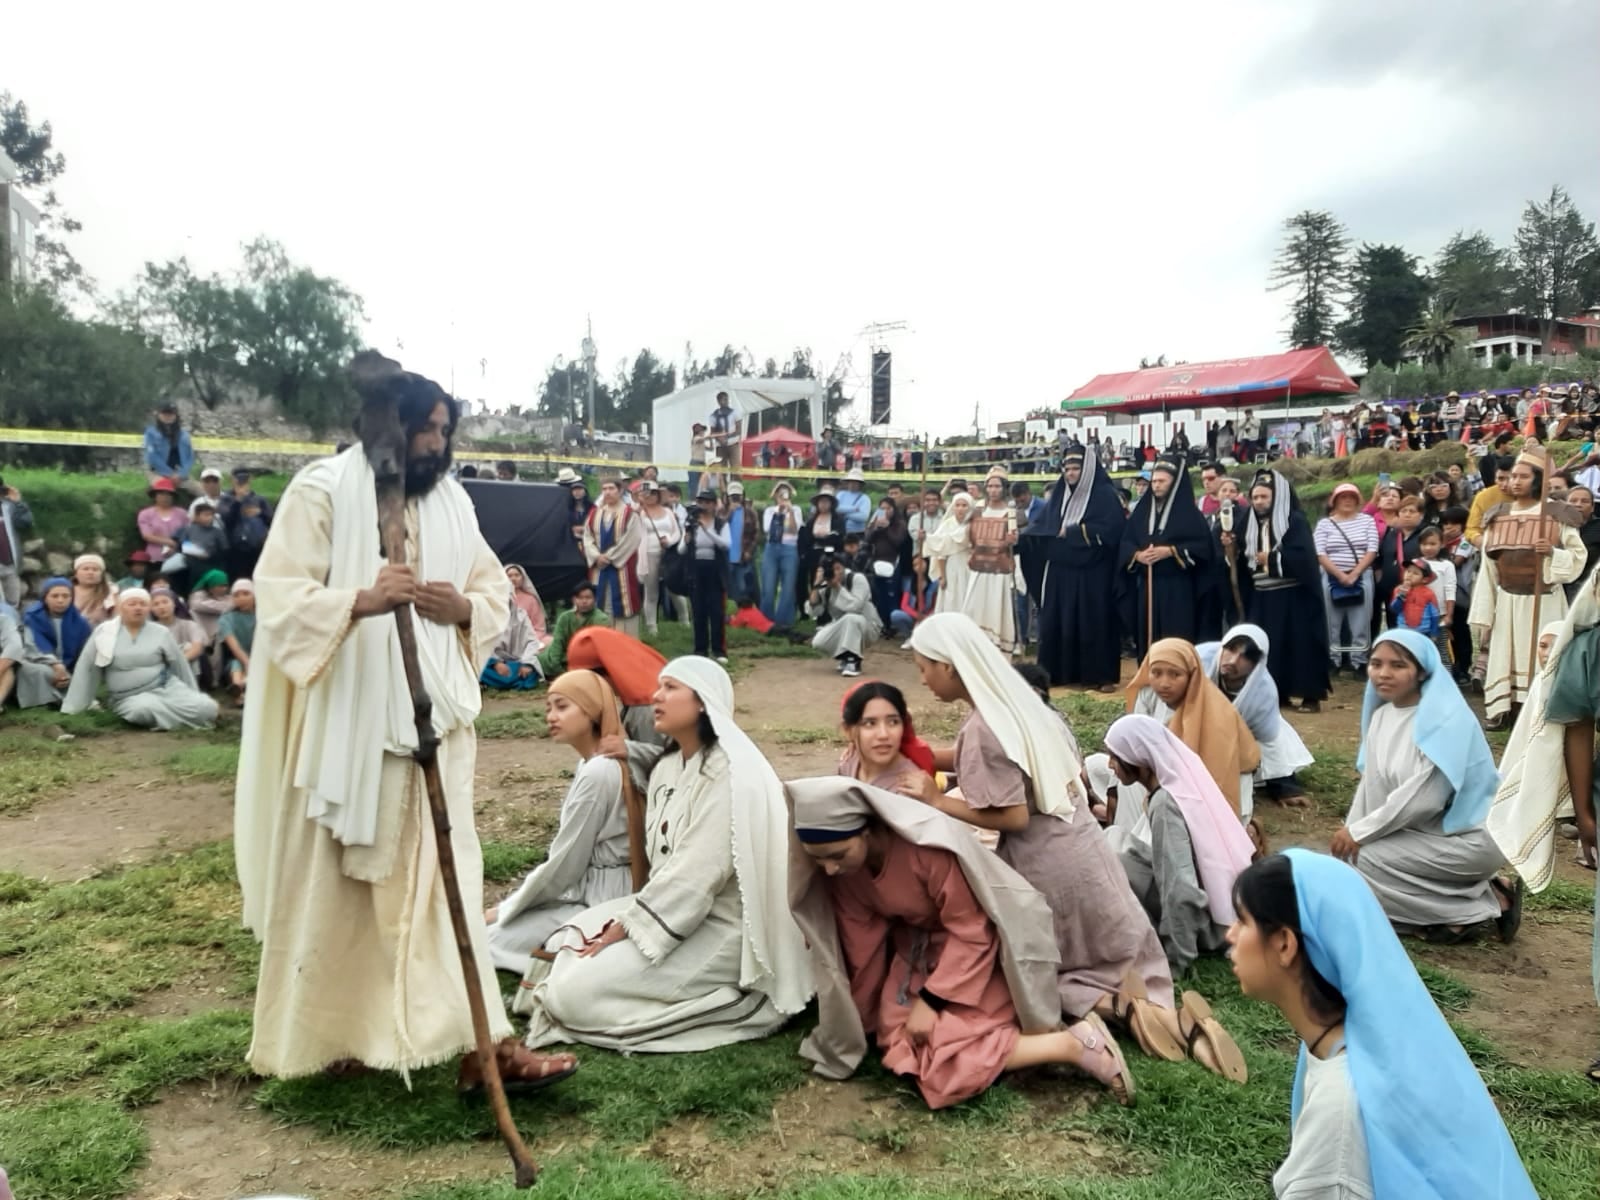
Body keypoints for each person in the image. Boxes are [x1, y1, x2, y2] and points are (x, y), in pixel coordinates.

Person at [234, 361, 575, 1087]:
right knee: (343, 891)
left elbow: (491, 588)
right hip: (350, 733)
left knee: (445, 882)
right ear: (385, 427)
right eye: (424, 428)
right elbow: (279, 596)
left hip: (437, 725)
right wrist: (358, 601)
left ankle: (482, 1047)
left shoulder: (453, 502)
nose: (435, 443)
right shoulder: (320, 492)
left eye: (444, 430)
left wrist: (462, 610)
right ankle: (330, 1039)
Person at [904, 614, 1201, 1069]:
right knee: (1107, 954)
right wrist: (920, 752)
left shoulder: (985, 726)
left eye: (925, 667)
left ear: (949, 666)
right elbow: (997, 764)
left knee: (1046, 969)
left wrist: (937, 800)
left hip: (1046, 859)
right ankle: (1160, 1016)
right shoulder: (1017, 703)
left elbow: (1013, 815)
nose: (922, 679)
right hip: (1081, 845)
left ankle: (1112, 1009)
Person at [787, 775, 1135, 1109]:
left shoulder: (926, 850)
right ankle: (1040, 1045)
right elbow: (862, 949)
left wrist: (932, 1000)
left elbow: (974, 930)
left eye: (837, 854)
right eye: (818, 860)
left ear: (866, 830)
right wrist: (857, 1025)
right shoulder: (847, 877)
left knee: (944, 1058)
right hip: (919, 957)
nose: (830, 869)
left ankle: (1072, 1045)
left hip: (979, 956)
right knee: (900, 1041)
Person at [521, 656, 814, 1050]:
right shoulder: (668, 766)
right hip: (670, 911)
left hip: (723, 928)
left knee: (574, 994)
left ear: (703, 702)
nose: (656, 696)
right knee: (562, 941)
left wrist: (630, 926)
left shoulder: (730, 776)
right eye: (659, 686)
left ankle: (732, 1001)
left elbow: (695, 875)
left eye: (671, 687)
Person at [1228, 851, 1537, 1200]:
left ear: (1284, 944)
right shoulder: (1386, 1046)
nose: (1229, 935)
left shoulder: (1340, 1116)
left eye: (1242, 921)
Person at [1335, 630, 1520, 942]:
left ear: (1421, 671)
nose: (1383, 673)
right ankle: (1485, 892)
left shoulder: (1444, 719)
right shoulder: (1382, 716)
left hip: (1470, 840)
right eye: (1376, 663)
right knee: (1344, 864)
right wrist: (1353, 831)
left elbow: (1423, 800)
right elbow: (1374, 789)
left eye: (1397, 665)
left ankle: (1477, 908)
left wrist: (1359, 834)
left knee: (1362, 862)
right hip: (1424, 834)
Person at [486, 670, 637, 975]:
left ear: (592, 709)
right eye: (548, 708)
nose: (551, 717)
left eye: (562, 706)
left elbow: (564, 864)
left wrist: (504, 909)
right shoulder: (592, 764)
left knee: (485, 939)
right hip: (590, 890)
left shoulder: (599, 772)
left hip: (602, 900)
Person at [1104, 714, 1256, 986]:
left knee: (1111, 857)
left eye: (1115, 757)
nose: (1110, 765)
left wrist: (1177, 961)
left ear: (1137, 757)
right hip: (1228, 907)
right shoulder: (1180, 781)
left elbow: (1180, 886)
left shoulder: (1165, 803)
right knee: (1112, 837)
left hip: (1212, 927)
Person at [1470, 447, 1587, 727]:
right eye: (1513, 477)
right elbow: (1488, 564)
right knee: (1506, 655)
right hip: (1509, 600)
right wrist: (1487, 609)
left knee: (1541, 654)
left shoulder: (1557, 514)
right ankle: (1505, 708)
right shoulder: (1497, 515)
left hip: (1543, 599)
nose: (1516, 481)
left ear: (1537, 479)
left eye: (1523, 476)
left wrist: (1553, 553)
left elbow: (1578, 556)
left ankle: (1540, 707)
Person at [1127, 638, 1261, 819]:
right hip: (1164, 777)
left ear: (1191, 675)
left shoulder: (1216, 714)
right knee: (1109, 770)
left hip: (1208, 796)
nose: (1164, 683)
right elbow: (1136, 744)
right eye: (1156, 673)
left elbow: (1215, 775)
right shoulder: (1148, 695)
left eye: (1175, 675)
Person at [1028, 447, 1124, 691]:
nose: (1070, 474)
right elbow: (1042, 526)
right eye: (1067, 469)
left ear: (1087, 470)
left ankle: (1099, 676)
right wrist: (1021, 539)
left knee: (1095, 621)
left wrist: (1071, 532)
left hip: (1094, 572)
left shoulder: (1104, 495)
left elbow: (1113, 531)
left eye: (1076, 469)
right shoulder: (1060, 494)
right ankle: (1058, 673)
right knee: (1058, 620)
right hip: (1061, 572)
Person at [1235, 470, 1330, 711]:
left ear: (1276, 497)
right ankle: (1277, 694)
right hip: (1262, 596)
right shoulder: (1247, 522)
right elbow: (1239, 555)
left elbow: (1304, 557)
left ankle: (1310, 696)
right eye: (1255, 497)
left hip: (1293, 595)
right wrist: (1230, 547)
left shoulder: (1294, 520)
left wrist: (1272, 557)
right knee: (1268, 647)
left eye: (1264, 497)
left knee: (1300, 645)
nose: (1258, 502)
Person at [62, 589, 219, 730]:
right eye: (132, 604)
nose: (138, 608)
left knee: (207, 707)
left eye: (143, 604)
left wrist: (191, 692)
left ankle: (171, 719)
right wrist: (76, 704)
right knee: (142, 711)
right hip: (127, 696)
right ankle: (177, 720)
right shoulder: (105, 632)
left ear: (148, 608)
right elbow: (87, 668)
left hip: (167, 688)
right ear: (121, 607)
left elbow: (179, 665)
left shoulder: (161, 632)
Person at [1118, 457, 1212, 661]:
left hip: (1177, 589)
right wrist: (1137, 555)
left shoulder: (1191, 516)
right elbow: (1126, 543)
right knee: (1147, 637)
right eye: (1154, 481)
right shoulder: (1141, 513)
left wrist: (1171, 551)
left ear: (1174, 483)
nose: (1157, 485)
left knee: (1175, 638)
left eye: (1162, 481)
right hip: (1147, 588)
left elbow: (1203, 549)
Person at [1314, 483, 1380, 677]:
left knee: (1361, 621)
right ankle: (1333, 660)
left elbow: (1372, 549)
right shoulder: (1325, 524)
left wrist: (1355, 573)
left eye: (1352, 497)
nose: (1348, 501)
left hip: (1361, 574)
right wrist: (1340, 574)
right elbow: (1319, 552)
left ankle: (1359, 661)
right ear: (1335, 501)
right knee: (1331, 621)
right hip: (1331, 574)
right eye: (1343, 497)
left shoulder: (1367, 521)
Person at [564, 626, 669, 747]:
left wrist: (628, 750)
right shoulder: (640, 688)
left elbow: (661, 761)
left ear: (607, 672)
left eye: (585, 681)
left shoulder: (645, 708)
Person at [961, 468, 1023, 654]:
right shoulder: (977, 511)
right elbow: (964, 535)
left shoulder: (1012, 512)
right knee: (972, 608)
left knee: (998, 610)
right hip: (978, 569)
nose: (993, 490)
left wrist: (1012, 541)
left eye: (997, 486)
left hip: (999, 570)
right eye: (990, 486)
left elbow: (1017, 541)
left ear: (1004, 488)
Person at [836, 680, 937, 789]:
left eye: (893, 722)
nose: (883, 734)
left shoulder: (908, 789)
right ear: (848, 731)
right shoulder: (849, 761)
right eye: (870, 723)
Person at [14, 577, 89, 709]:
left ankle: (58, 699)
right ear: (45, 598)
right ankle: (46, 702)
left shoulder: (80, 622)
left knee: (72, 679)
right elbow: (31, 647)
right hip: (37, 661)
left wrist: (67, 670)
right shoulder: (33, 617)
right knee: (33, 671)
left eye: (66, 596)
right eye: (55, 596)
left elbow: (84, 653)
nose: (60, 600)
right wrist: (55, 664)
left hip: (68, 668)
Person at [583, 478, 643, 638]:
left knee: (624, 605)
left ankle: (625, 644)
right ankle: (603, 641)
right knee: (601, 604)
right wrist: (596, 556)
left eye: (611, 488)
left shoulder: (630, 514)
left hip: (621, 568)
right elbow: (587, 537)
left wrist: (609, 557)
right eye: (604, 489)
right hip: (599, 570)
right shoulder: (595, 514)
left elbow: (632, 539)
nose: (607, 492)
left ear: (620, 491)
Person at [810, 553, 877, 677]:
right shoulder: (826, 587)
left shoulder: (857, 579)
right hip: (844, 626)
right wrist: (816, 584)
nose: (835, 573)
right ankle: (844, 656)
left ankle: (853, 661)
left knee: (851, 618)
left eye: (838, 568)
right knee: (818, 641)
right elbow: (815, 611)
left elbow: (855, 607)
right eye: (832, 569)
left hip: (867, 626)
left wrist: (838, 587)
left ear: (844, 568)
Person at [684, 488, 731, 661]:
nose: (703, 506)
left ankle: (719, 650)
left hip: (715, 570)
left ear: (713, 505)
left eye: (707, 502)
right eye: (700, 502)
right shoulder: (692, 523)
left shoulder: (721, 524)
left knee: (716, 610)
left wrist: (707, 530)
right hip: (696, 569)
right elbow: (683, 549)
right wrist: (685, 540)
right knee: (698, 610)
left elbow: (725, 544)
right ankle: (700, 649)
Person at [634, 481, 685, 636]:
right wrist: (638, 507)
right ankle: (652, 627)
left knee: (675, 589)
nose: (650, 497)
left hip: (668, 554)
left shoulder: (668, 512)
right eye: (646, 494)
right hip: (648, 554)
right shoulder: (639, 513)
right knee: (651, 591)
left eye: (653, 493)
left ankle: (685, 620)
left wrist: (669, 541)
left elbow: (677, 532)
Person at [537, 581, 609, 678]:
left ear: (594, 599)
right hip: (563, 659)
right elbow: (557, 644)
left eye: (588, 598)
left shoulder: (601, 618)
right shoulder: (565, 617)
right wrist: (558, 669)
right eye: (580, 598)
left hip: (588, 662)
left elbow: (600, 648)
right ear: (574, 599)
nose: (584, 601)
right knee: (542, 660)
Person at [761, 481, 804, 627]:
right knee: (768, 584)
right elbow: (767, 529)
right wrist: (778, 512)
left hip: (789, 548)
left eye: (785, 494)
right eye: (780, 495)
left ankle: (783, 622)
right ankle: (766, 620)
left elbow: (794, 530)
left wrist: (790, 512)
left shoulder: (796, 510)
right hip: (772, 548)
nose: (783, 498)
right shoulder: (769, 511)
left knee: (788, 585)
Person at [865, 495, 909, 637]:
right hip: (877, 563)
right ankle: (882, 624)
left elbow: (898, 541)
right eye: (882, 508)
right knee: (879, 595)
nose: (885, 511)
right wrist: (875, 527)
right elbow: (868, 539)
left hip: (893, 563)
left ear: (893, 509)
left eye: (888, 508)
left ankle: (893, 625)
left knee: (892, 595)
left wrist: (887, 527)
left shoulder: (899, 524)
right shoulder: (876, 522)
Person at [481, 589, 541, 691]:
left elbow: (532, 642)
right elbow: (482, 645)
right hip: (495, 662)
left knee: (532, 670)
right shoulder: (486, 617)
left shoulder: (521, 616)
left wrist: (527, 664)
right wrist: (495, 663)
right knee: (479, 669)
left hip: (519, 661)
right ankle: (513, 683)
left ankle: (498, 683)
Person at [926, 492, 974, 615]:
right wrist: (942, 576)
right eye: (957, 505)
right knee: (951, 600)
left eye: (964, 505)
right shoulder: (947, 524)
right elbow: (940, 550)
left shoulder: (974, 524)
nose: (961, 508)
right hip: (951, 567)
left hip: (970, 566)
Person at [149, 586, 209, 680]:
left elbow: (197, 648)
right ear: (151, 609)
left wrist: (176, 662)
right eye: (156, 604)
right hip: (160, 667)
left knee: (187, 647)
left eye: (165, 602)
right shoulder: (150, 629)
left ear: (174, 604)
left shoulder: (189, 625)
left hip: (184, 665)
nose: (161, 607)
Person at [223, 468, 272, 583]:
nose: (242, 481)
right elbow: (226, 519)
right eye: (239, 478)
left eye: (244, 478)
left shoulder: (260, 500)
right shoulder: (226, 498)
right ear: (232, 480)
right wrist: (238, 500)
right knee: (237, 581)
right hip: (235, 550)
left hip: (256, 548)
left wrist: (260, 513)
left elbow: (272, 520)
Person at [216, 579, 256, 704]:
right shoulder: (226, 619)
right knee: (236, 663)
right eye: (237, 595)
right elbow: (234, 646)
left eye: (246, 593)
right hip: (237, 660)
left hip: (261, 657)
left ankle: (242, 686)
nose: (241, 598)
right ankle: (238, 688)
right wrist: (247, 662)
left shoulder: (263, 615)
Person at [0, 475, 33, 607]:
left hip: (10, 564)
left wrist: (18, 502)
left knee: (13, 604)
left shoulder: (9, 507)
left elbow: (25, 523)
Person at [142, 402, 194, 483]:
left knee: (201, 491)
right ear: (158, 415)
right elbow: (152, 456)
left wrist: (181, 474)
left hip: (180, 475)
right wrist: (170, 474)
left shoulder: (184, 435)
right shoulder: (150, 433)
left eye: (171, 414)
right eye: (164, 413)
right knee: (164, 489)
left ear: (176, 416)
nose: (168, 416)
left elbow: (190, 457)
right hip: (157, 472)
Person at [891, 553, 938, 641]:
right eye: (915, 565)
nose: (918, 567)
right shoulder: (910, 583)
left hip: (928, 616)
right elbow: (904, 605)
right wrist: (917, 616)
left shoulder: (934, 584)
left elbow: (935, 605)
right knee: (896, 615)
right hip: (913, 615)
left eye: (921, 563)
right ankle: (909, 636)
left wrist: (926, 617)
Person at [504, 564, 550, 651]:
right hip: (503, 640)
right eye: (509, 576)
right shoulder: (497, 599)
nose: (513, 578)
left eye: (517, 575)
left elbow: (539, 627)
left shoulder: (531, 599)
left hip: (527, 639)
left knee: (549, 641)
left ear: (522, 578)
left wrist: (528, 640)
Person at [725, 481, 758, 605]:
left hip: (742, 556)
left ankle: (743, 613)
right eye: (732, 496)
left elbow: (756, 533)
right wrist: (730, 512)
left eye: (737, 496)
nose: (735, 499)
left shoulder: (750, 512)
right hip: (726, 556)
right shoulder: (722, 511)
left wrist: (749, 551)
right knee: (726, 588)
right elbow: (718, 527)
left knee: (743, 587)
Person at [71, 553, 117, 627]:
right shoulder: (67, 591)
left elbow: (117, 617)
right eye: (85, 569)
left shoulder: (110, 591)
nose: (90, 572)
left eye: (95, 569)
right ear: (76, 574)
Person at [835, 468, 872, 534]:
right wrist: (854, 509)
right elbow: (836, 508)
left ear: (860, 484)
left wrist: (845, 514)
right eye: (850, 481)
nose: (852, 484)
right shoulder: (841, 494)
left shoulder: (865, 498)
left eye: (855, 482)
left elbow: (863, 517)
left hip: (857, 532)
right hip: (840, 530)